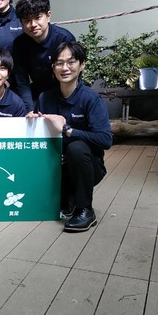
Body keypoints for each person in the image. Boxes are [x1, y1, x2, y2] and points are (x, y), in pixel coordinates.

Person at [27, 42, 112, 232]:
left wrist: (67, 129)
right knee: (53, 204)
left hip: (88, 167)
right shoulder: (44, 98)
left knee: (77, 148)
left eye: (71, 62)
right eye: (59, 63)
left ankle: (85, 210)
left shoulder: (91, 99)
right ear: (53, 68)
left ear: (82, 65)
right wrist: (32, 123)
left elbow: (105, 140)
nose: (65, 68)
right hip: (57, 167)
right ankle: (68, 198)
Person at [12, 0, 75, 111]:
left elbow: (73, 75)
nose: (33, 24)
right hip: (38, 92)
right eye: (27, 20)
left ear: (48, 16)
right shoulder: (20, 43)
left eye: (37, 18)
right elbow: (22, 81)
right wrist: (29, 110)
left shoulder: (64, 39)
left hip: (66, 91)